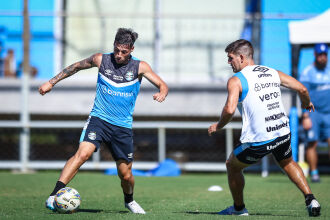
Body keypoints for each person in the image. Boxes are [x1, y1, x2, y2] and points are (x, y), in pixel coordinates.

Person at [39, 28, 168, 214]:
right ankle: (53, 195)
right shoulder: (101, 59)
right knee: (82, 154)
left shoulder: (141, 67)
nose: (118, 55)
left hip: (122, 126)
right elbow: (75, 66)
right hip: (99, 119)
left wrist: (162, 93)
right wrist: (51, 82)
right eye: (116, 50)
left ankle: (129, 200)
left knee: (125, 174)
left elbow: (163, 85)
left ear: (131, 49)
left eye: (123, 52)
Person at [208, 39, 320, 216]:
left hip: (260, 139)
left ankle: (238, 209)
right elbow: (303, 89)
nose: (229, 62)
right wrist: (306, 104)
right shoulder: (271, 72)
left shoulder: (236, 80)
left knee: (232, 165)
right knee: (288, 162)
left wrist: (218, 125)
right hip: (282, 131)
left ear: (242, 57)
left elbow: (229, 110)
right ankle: (311, 199)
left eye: (230, 58)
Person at [299, 43, 330, 183]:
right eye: (320, 55)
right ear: (315, 55)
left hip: (328, 113)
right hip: (314, 113)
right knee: (312, 143)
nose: (323, 58)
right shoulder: (307, 72)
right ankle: (314, 172)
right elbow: (303, 95)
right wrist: (305, 116)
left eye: (325, 55)